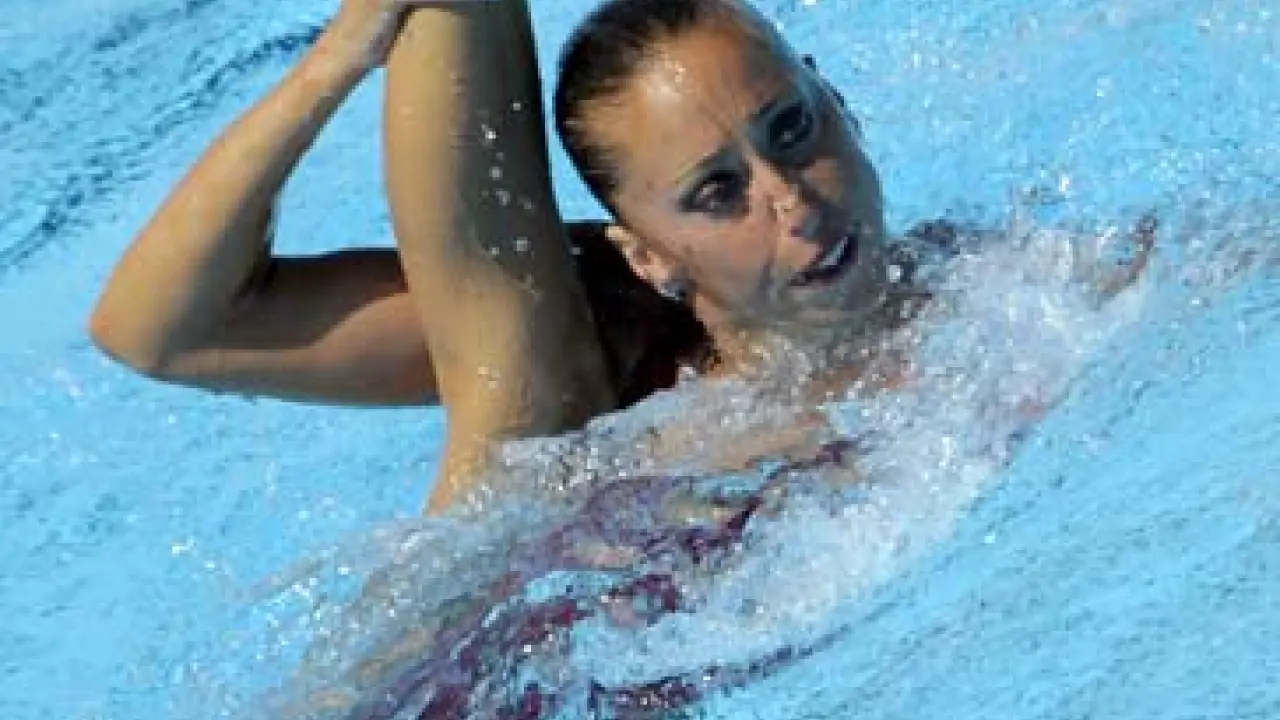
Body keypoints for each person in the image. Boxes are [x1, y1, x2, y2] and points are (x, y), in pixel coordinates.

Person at [88, 0, 1148, 514]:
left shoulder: (1021, 286)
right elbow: (147, 331)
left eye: (791, 127)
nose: (792, 201)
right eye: (716, 192)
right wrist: (334, 63)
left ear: (836, 97)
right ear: (646, 255)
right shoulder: (573, 392)